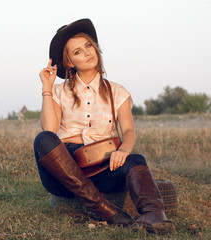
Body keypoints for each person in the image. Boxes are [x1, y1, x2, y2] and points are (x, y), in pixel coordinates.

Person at [33, 18, 177, 234]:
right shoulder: (59, 92)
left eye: (88, 46)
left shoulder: (118, 91)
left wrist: (123, 150)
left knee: (136, 160)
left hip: (101, 167)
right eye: (78, 52)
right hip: (63, 169)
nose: (87, 53)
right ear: (70, 62)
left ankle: (153, 214)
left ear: (96, 48)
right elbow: (50, 128)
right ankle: (105, 210)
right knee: (43, 139)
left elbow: (128, 130)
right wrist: (47, 87)